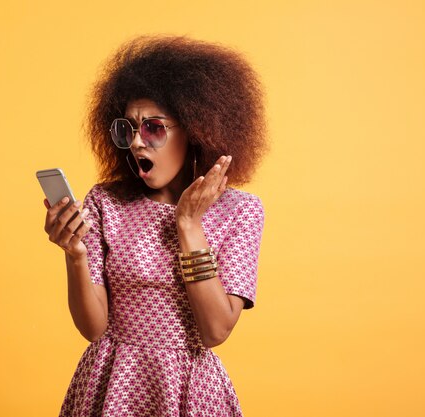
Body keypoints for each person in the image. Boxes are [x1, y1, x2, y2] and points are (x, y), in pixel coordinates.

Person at [43, 35, 268, 417]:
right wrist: (75, 255)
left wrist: (188, 224)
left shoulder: (241, 211)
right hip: (111, 382)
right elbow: (94, 328)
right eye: (128, 129)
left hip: (189, 388)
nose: (136, 143)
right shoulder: (106, 202)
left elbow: (215, 332)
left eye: (153, 128)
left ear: (197, 130)